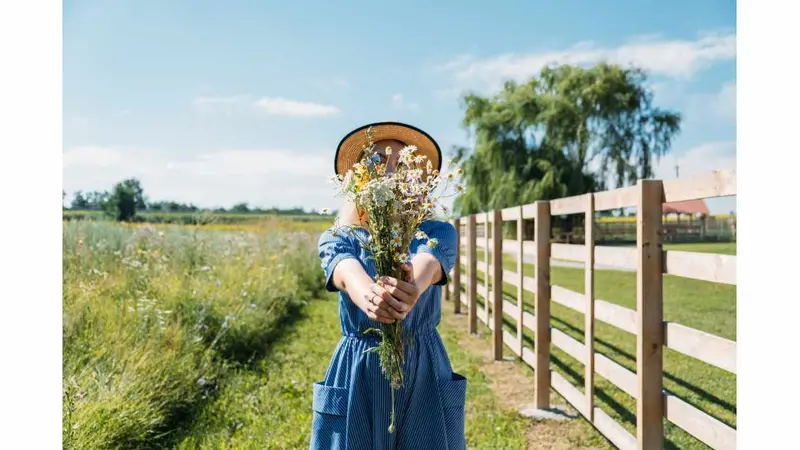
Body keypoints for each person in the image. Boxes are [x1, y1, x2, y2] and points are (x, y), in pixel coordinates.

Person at [310, 122, 466, 449]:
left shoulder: (437, 231)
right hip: (359, 369)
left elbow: (429, 263)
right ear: (359, 179)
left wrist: (412, 287)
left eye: (404, 164)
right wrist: (366, 292)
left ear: (420, 180)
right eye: (378, 161)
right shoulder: (340, 236)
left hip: (421, 369)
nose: (392, 172)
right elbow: (344, 267)